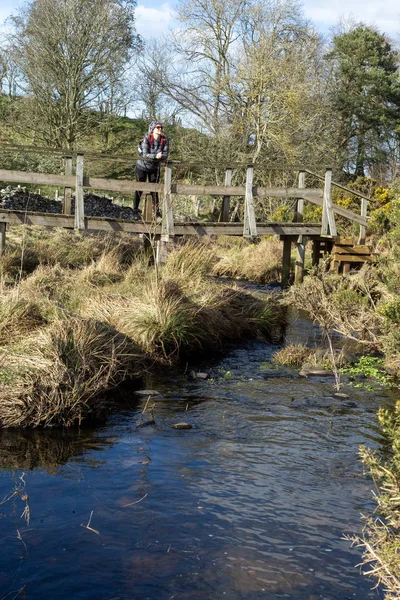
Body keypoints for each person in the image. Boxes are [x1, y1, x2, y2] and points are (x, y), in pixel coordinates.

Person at [133, 120, 169, 219]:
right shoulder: (147, 138)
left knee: (155, 190)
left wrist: (161, 157)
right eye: (158, 127)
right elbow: (145, 154)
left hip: (154, 167)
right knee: (139, 188)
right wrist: (156, 156)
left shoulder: (165, 140)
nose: (160, 129)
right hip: (142, 166)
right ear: (152, 129)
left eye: (161, 127)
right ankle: (135, 210)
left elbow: (166, 154)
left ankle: (156, 213)